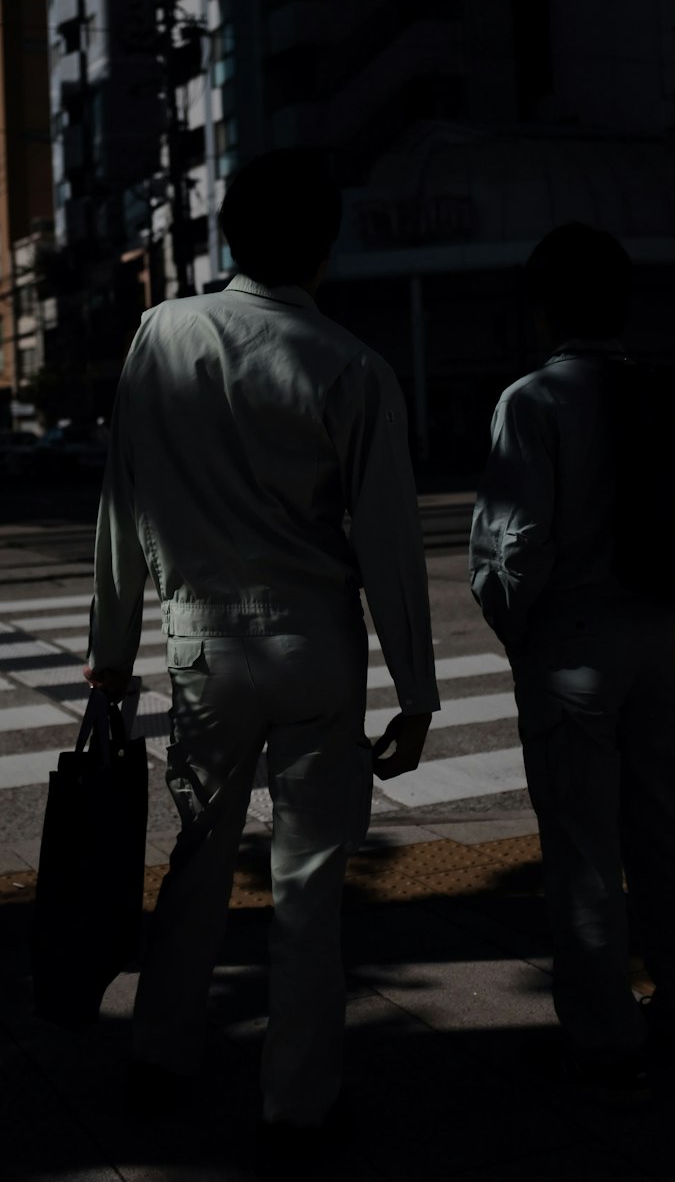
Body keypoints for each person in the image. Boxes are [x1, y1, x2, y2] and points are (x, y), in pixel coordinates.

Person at [85, 148, 438, 1176]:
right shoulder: (352, 366)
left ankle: (160, 1057)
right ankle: (297, 1104)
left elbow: (122, 502)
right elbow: (390, 547)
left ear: (230, 236)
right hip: (317, 643)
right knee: (309, 886)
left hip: (206, 643)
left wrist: (110, 656)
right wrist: (415, 693)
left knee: (197, 859)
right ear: (326, 246)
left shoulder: (162, 334)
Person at [469, 222, 675, 1097]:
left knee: (581, 848)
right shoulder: (657, 390)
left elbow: (514, 546)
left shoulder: (533, 400)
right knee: (666, 833)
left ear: (541, 307)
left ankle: (605, 1039)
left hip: (572, 643)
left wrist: (517, 631)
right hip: (656, 635)